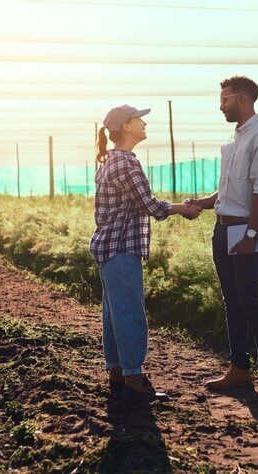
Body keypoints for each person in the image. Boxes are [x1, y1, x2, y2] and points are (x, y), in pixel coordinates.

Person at [91, 104, 201, 404]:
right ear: (126, 126)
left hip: (108, 247)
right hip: (122, 246)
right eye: (140, 119)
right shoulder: (126, 163)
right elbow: (149, 205)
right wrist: (183, 208)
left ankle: (118, 373)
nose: (144, 123)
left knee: (115, 313)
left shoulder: (110, 161)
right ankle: (134, 380)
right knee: (129, 312)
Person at [186, 76, 258, 396]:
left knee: (250, 302)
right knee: (232, 302)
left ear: (243, 99)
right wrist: (201, 203)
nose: (221, 106)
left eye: (225, 100)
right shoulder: (232, 142)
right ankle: (239, 369)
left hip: (244, 229)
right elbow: (227, 191)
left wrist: (252, 234)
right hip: (223, 229)